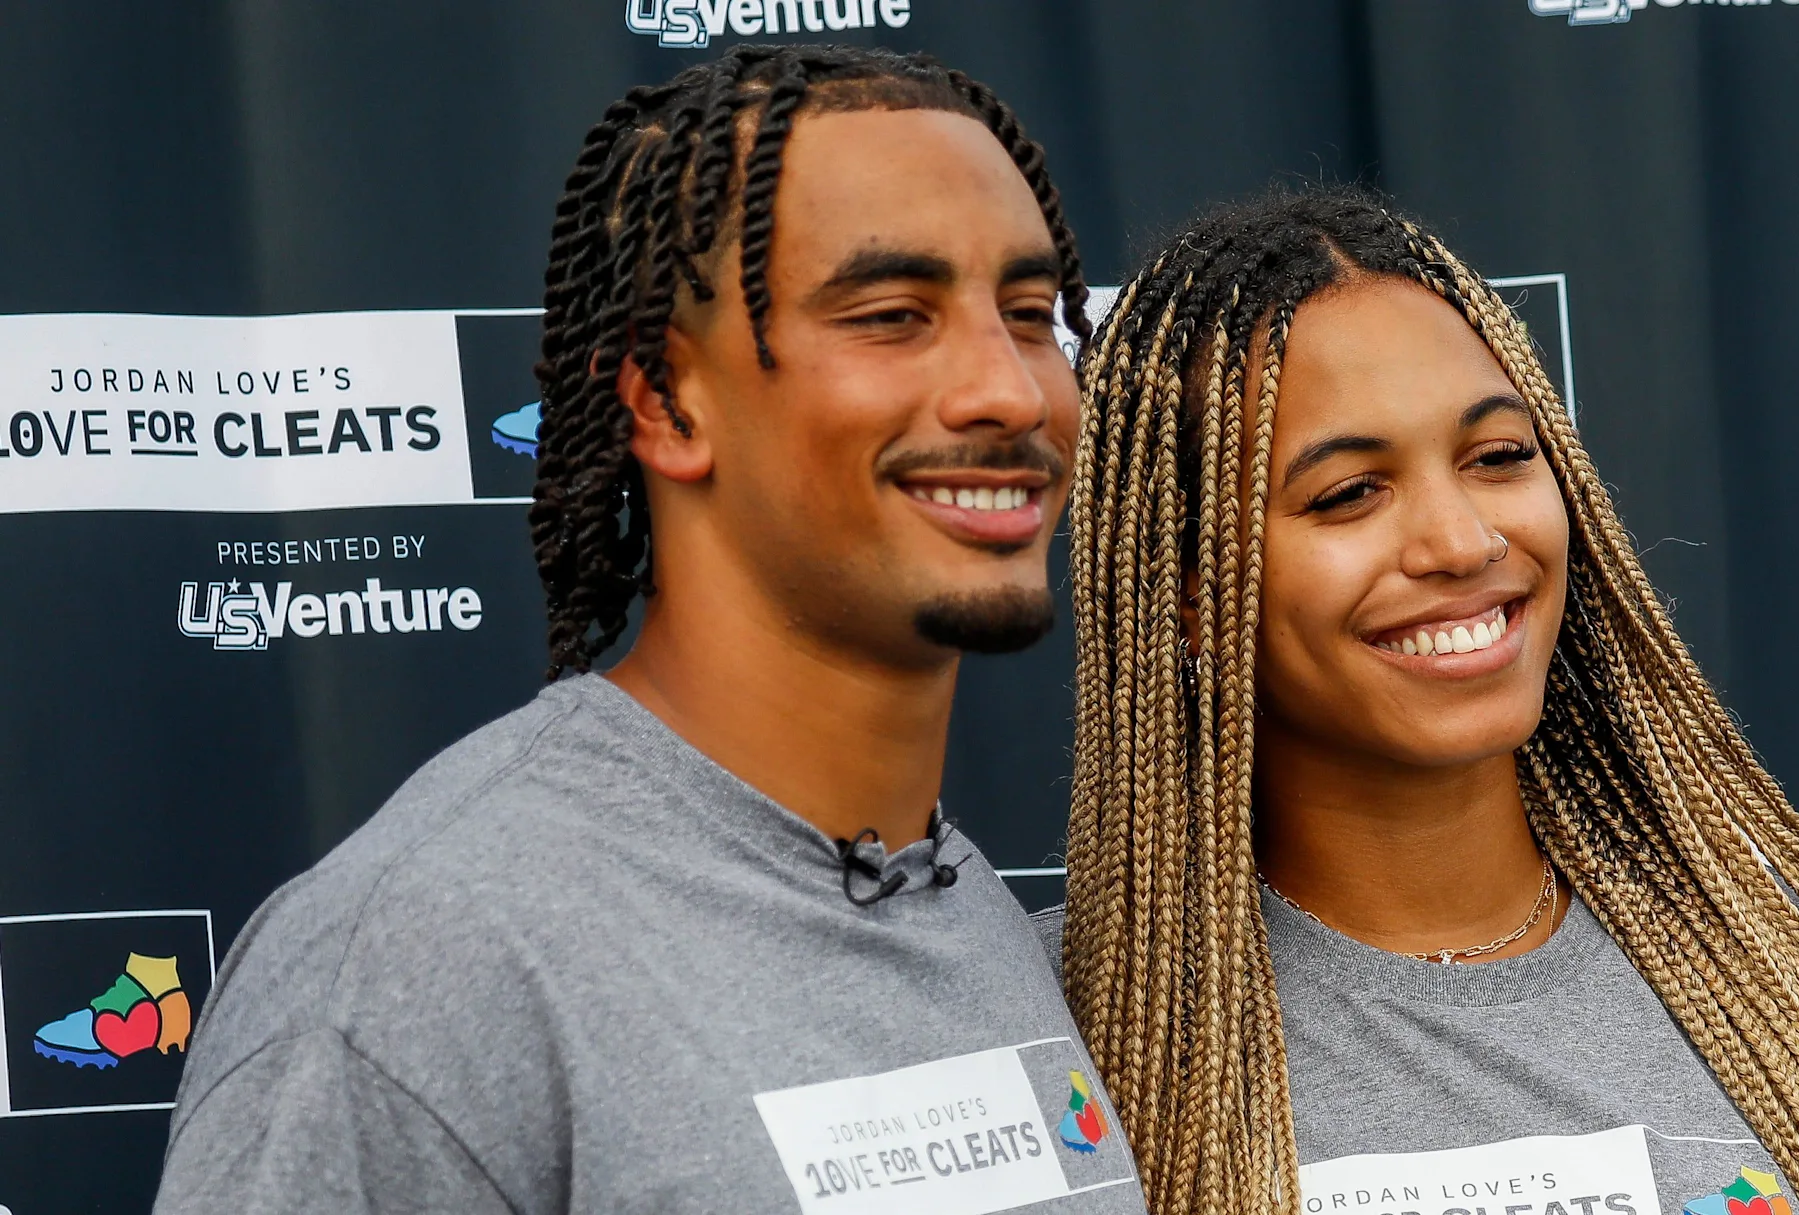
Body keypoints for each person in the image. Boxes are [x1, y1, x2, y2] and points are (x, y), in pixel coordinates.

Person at [156, 45, 1145, 1214]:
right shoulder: (418, 964)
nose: (1014, 391)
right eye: (891, 316)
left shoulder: (962, 896)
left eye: (1030, 315)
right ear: (666, 405)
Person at [1045, 188, 1799, 1215]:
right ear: (1193, 595)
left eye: (1498, 457)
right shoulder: (1078, 1034)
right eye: (1348, 494)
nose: (1463, 542)